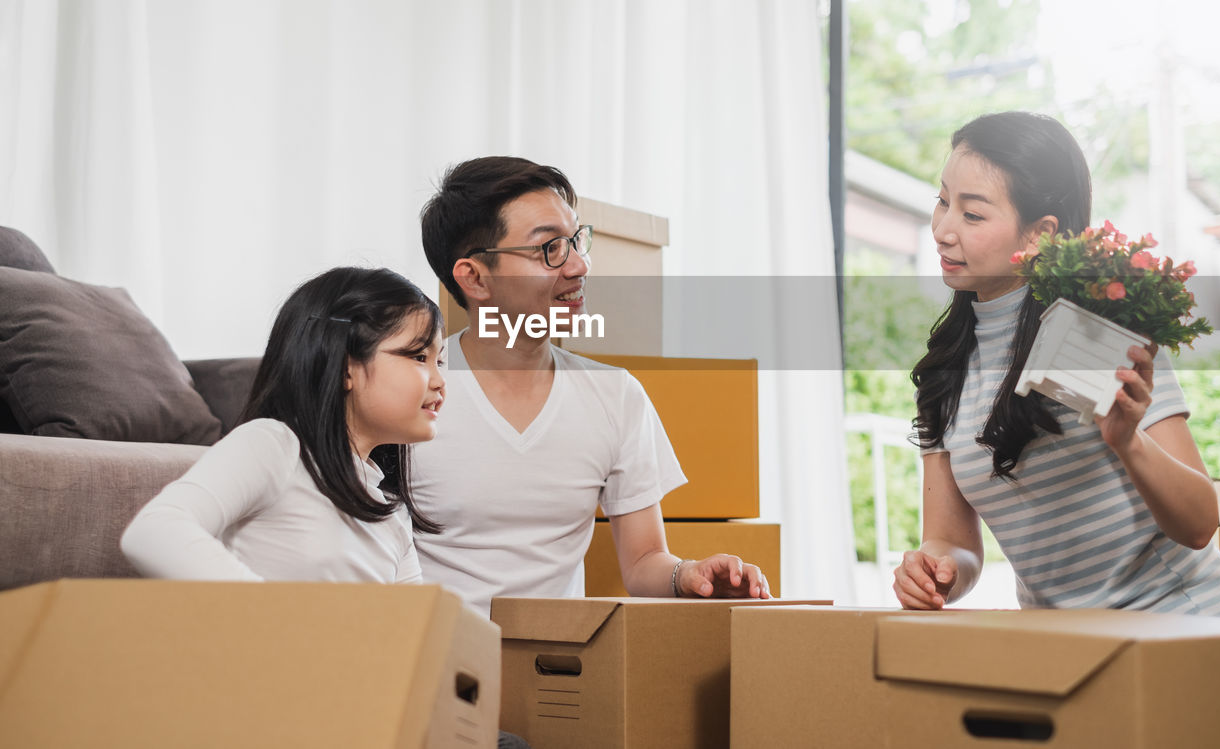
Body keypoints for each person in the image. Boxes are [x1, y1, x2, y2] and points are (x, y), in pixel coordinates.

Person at [893, 111, 1220, 618]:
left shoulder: (1092, 331)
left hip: (1185, 628)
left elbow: (1198, 524)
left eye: (972, 215)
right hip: (1067, 649)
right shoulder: (945, 371)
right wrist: (934, 572)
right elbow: (953, 542)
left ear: (1038, 234)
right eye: (943, 201)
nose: (943, 230)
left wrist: (1127, 441)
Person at [413, 156, 770, 615]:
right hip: (433, 668)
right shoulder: (413, 391)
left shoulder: (615, 396)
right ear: (475, 278)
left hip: (558, 673)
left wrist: (689, 575)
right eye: (549, 250)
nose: (579, 266)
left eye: (577, 240)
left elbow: (643, 561)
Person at [121, 266, 444, 582]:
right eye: (418, 357)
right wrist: (277, 616)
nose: (440, 381)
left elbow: (412, 625)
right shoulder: (273, 445)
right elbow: (155, 530)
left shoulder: (389, 511)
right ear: (346, 367)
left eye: (439, 361)